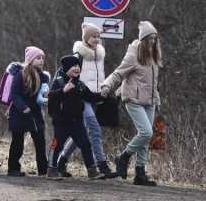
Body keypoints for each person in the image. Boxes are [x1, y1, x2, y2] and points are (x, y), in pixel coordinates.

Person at [100, 21, 162, 186]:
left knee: (145, 138)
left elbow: (151, 82)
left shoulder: (154, 56)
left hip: (149, 101)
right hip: (133, 99)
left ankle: (140, 173)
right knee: (146, 132)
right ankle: (123, 157)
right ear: (143, 39)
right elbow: (118, 73)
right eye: (150, 38)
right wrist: (106, 86)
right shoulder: (134, 54)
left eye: (155, 38)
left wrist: (156, 97)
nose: (153, 42)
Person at [57, 23, 117, 178]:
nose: (96, 39)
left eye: (98, 36)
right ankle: (101, 165)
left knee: (80, 134)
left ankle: (61, 160)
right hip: (82, 98)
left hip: (96, 97)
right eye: (93, 36)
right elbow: (67, 74)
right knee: (95, 129)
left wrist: (104, 89)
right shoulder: (79, 55)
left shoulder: (100, 55)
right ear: (86, 38)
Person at [47, 55, 105, 178]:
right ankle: (52, 170)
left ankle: (92, 171)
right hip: (61, 122)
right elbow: (50, 97)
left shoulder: (80, 84)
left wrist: (104, 95)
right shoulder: (59, 82)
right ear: (67, 67)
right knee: (57, 145)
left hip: (77, 122)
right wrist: (63, 90)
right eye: (74, 66)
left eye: (78, 66)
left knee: (85, 144)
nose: (77, 68)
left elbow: (91, 97)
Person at [7, 46, 50, 177]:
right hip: (19, 112)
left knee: (40, 141)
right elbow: (14, 93)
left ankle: (43, 169)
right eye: (38, 58)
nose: (41, 60)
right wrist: (23, 107)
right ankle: (13, 168)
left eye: (42, 58)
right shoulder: (21, 74)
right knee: (17, 142)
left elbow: (42, 94)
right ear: (30, 60)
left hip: (35, 113)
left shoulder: (43, 76)